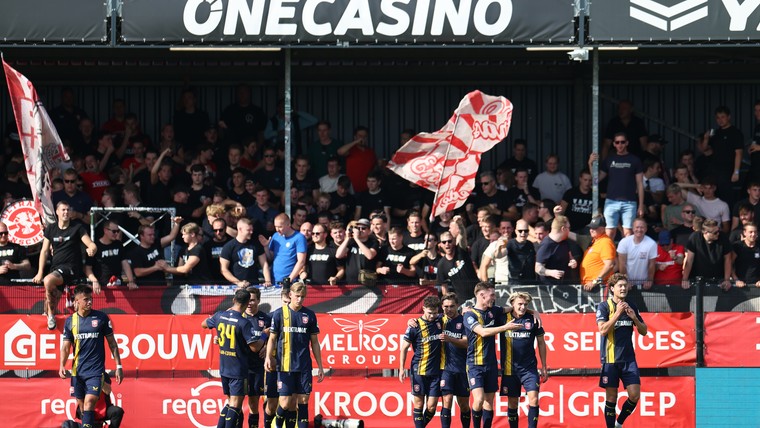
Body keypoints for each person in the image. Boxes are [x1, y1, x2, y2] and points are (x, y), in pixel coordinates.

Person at [59, 285, 124, 428]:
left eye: (91, 299)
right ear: (77, 301)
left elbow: (113, 344)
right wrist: (61, 365)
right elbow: (65, 346)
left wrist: (119, 366)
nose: (89, 302)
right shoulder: (70, 321)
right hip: (77, 371)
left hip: (95, 371)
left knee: (90, 401)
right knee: (83, 408)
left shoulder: (101, 318)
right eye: (86, 299)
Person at [202, 288, 267, 428]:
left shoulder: (220, 315)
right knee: (235, 406)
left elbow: (204, 324)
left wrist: (222, 336)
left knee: (231, 403)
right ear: (245, 304)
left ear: (233, 300)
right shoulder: (243, 322)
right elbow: (255, 348)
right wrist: (264, 335)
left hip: (225, 367)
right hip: (238, 369)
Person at [265, 282, 325, 428]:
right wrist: (268, 357)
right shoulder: (280, 314)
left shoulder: (309, 315)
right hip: (285, 366)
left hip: (304, 366)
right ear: (290, 294)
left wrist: (320, 366)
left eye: (302, 297)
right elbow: (272, 338)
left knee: (303, 402)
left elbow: (315, 343)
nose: (299, 299)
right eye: (297, 296)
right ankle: (277, 425)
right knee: (285, 403)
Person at [464, 282, 522, 428]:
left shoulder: (493, 311)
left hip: (490, 364)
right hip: (475, 364)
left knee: (489, 402)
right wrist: (505, 327)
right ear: (481, 295)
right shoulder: (469, 315)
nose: (494, 298)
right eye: (492, 295)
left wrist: (533, 312)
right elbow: (483, 332)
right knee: (478, 399)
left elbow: (512, 308)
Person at [34, 201, 98, 330]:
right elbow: (44, 251)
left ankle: (51, 316)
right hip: (56, 269)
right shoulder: (51, 229)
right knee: (49, 305)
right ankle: (51, 317)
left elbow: (91, 244)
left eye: (68, 210)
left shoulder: (77, 228)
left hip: (71, 268)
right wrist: (40, 272)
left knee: (48, 280)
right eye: (63, 210)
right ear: (57, 212)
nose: (66, 212)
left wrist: (92, 249)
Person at [597, 273, 647, 428]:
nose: (623, 288)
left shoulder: (632, 305)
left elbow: (644, 331)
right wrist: (617, 313)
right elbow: (603, 330)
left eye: (625, 285)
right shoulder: (604, 306)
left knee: (634, 395)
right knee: (611, 398)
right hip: (610, 359)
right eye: (620, 285)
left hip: (629, 359)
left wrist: (635, 319)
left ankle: (619, 423)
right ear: (612, 288)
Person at [502, 292, 548, 428]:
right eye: (519, 304)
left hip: (529, 369)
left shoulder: (533, 319)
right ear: (512, 304)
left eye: (525, 305)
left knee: (533, 399)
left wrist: (544, 365)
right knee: (512, 403)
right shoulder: (503, 318)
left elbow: (541, 342)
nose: (522, 307)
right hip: (510, 369)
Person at [590, 132, 645, 239]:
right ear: (614, 144)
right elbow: (596, 179)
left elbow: (640, 183)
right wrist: (590, 163)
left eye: (622, 142)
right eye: (617, 142)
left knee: (628, 233)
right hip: (611, 201)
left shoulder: (635, 160)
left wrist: (641, 205)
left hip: (629, 202)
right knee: (609, 232)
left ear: (627, 143)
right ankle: (610, 255)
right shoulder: (609, 160)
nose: (620, 145)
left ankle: (625, 256)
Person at [399, 295, 443, 428]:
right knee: (419, 404)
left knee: (431, 407)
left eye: (435, 313)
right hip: (419, 370)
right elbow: (404, 348)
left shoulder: (441, 320)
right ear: (423, 309)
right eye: (430, 313)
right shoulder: (414, 326)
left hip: (435, 372)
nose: (432, 316)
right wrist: (401, 369)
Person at [439, 293, 470, 428]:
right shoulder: (439, 320)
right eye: (446, 306)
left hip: (462, 369)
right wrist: (412, 321)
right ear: (442, 307)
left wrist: (450, 339)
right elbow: (424, 319)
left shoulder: (464, 321)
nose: (449, 309)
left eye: (452, 306)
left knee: (463, 405)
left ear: (457, 305)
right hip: (446, 368)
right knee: (447, 400)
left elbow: (467, 343)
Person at [242, 286, 271, 428]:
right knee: (235, 402)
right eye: (248, 299)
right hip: (240, 366)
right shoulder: (238, 316)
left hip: (257, 367)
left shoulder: (266, 319)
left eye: (253, 300)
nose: (250, 302)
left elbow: (277, 339)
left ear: (258, 301)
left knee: (254, 403)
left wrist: (267, 347)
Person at [85, 220, 137, 291]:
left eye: (118, 231)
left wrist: (131, 281)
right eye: (114, 231)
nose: (116, 233)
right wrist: (94, 281)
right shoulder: (95, 246)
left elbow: (125, 263)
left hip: (117, 285)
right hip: (101, 287)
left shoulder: (119, 244)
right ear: (105, 230)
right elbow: (87, 268)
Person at [126, 219, 181, 287]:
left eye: (153, 234)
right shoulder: (136, 252)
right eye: (149, 235)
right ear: (142, 236)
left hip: (161, 285)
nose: (153, 237)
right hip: (146, 288)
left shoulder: (156, 243)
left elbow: (171, 236)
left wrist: (177, 224)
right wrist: (155, 267)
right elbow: (138, 272)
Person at [682, 219, 732, 291]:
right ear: (705, 232)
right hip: (697, 278)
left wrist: (727, 279)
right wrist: (685, 279)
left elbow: (728, 259)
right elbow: (689, 260)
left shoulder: (723, 237)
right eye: (715, 232)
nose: (718, 233)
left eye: (718, 230)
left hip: (718, 278)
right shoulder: (695, 237)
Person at [220, 218, 272, 288]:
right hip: (236, 287)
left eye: (252, 230)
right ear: (240, 229)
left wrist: (267, 281)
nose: (251, 232)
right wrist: (238, 282)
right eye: (248, 230)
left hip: (254, 285)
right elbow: (224, 269)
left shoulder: (256, 245)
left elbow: (264, 264)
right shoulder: (229, 246)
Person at [437, 224, 478, 302]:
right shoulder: (441, 264)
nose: (447, 244)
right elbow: (444, 286)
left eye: (449, 241)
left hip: (477, 293)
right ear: (440, 245)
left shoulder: (461, 250)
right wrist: (447, 302)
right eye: (444, 242)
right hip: (461, 299)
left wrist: (460, 225)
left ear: (454, 241)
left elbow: (462, 236)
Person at [265, 213, 308, 285]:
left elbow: (301, 261)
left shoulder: (299, 237)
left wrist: (289, 279)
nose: (277, 229)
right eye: (276, 226)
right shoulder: (275, 236)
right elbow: (270, 257)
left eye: (280, 227)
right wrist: (265, 247)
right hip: (274, 280)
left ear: (288, 225)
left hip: (290, 282)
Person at [534, 215, 577, 285]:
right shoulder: (546, 245)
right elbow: (538, 268)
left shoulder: (564, 241)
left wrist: (573, 262)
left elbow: (570, 257)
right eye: (569, 228)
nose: (569, 230)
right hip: (548, 287)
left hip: (565, 285)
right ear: (563, 229)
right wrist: (550, 272)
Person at [617, 218, 658, 289]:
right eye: (637, 227)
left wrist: (649, 280)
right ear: (633, 228)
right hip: (628, 282)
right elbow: (622, 264)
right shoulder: (624, 242)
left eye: (642, 227)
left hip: (644, 283)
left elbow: (652, 264)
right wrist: (625, 280)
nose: (639, 230)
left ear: (646, 229)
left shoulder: (652, 244)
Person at [335, 218, 379, 284]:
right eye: (358, 228)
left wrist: (357, 239)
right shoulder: (351, 242)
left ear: (369, 231)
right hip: (350, 282)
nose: (360, 230)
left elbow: (370, 255)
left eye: (363, 228)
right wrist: (347, 238)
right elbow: (338, 255)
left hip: (367, 282)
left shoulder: (373, 242)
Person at [580, 216, 616, 290]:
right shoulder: (595, 241)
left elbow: (609, 265)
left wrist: (595, 282)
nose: (591, 230)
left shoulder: (605, 242)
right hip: (590, 286)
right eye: (590, 228)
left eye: (594, 228)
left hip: (599, 287)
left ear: (602, 228)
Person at [338, 126, 377, 193]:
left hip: (367, 189)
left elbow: (374, 168)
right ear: (355, 137)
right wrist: (355, 142)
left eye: (364, 136)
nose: (362, 138)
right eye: (360, 136)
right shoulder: (351, 150)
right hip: (352, 189)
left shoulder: (370, 152)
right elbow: (340, 152)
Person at [506, 219, 537, 285]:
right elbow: (501, 254)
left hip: (530, 281)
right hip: (515, 281)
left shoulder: (530, 244)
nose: (523, 233)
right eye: (520, 231)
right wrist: (499, 249)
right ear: (516, 231)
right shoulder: (510, 244)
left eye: (526, 231)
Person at [732, 222, 760, 287]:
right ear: (744, 233)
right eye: (751, 232)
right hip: (740, 284)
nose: (753, 234)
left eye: (755, 232)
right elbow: (730, 264)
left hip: (757, 285)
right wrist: (736, 280)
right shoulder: (737, 246)